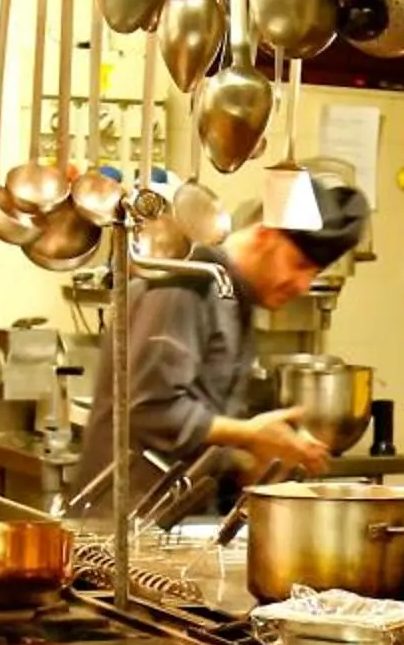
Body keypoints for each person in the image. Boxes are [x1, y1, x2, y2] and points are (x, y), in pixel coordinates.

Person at [92, 169, 375, 499]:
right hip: (120, 525)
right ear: (265, 237)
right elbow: (144, 410)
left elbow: (200, 431)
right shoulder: (188, 280)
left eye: (313, 274)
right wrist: (249, 435)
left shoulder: (234, 298)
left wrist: (256, 459)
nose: (302, 285)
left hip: (167, 520)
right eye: (298, 265)